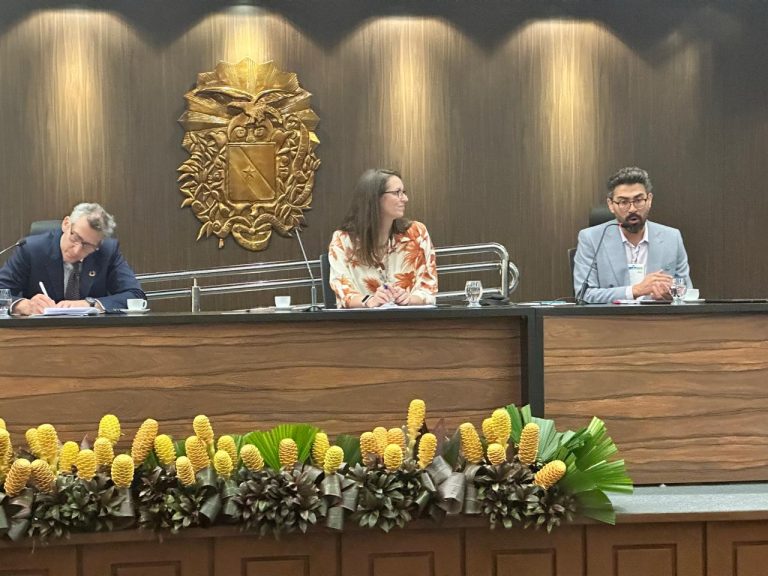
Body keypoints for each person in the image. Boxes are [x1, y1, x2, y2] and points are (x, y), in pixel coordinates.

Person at [573, 166, 691, 304]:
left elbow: (687, 293)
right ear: (611, 205)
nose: (632, 209)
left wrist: (670, 295)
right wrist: (635, 290)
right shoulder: (591, 239)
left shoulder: (672, 238)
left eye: (638, 200)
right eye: (623, 202)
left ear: (649, 200)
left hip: (657, 316)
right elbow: (584, 295)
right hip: (611, 317)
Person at [0, 203, 145, 315]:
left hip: (93, 335)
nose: (77, 250)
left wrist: (91, 304)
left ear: (98, 244)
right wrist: (21, 305)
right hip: (38, 334)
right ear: (66, 224)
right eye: (75, 238)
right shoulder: (31, 249)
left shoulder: (107, 251)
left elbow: (135, 295)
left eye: (87, 245)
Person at [328, 169, 438, 308]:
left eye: (403, 192)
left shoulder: (417, 233)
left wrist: (409, 299)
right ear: (375, 198)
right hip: (364, 321)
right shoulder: (343, 241)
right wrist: (370, 301)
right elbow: (344, 295)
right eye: (397, 192)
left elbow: (428, 291)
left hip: (410, 319)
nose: (405, 199)